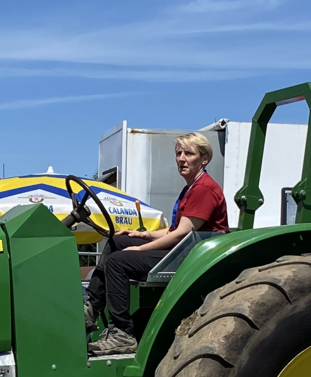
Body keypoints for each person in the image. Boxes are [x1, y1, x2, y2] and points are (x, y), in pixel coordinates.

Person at [85, 132, 228, 356]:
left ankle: (123, 334)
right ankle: (91, 307)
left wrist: (140, 248)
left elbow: (182, 234)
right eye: (178, 153)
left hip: (192, 257)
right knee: (116, 241)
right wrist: (141, 235)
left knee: (117, 262)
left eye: (188, 154)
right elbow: (174, 229)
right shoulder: (191, 187)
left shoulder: (204, 189)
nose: (181, 159)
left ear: (204, 159)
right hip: (184, 248)